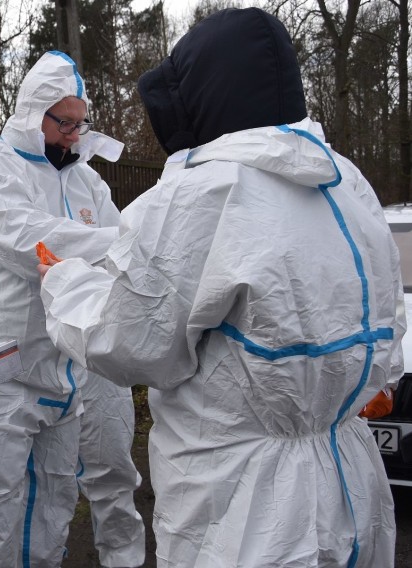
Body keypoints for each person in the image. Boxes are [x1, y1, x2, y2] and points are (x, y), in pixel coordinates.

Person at [38, 8, 402, 567]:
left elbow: (130, 342)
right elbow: (387, 320)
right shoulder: (347, 182)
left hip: (246, 503)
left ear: (202, 92)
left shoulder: (205, 193)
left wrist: (64, 283)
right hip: (352, 480)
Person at [0, 50, 144, 567]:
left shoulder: (86, 181)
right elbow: (31, 241)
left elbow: (117, 255)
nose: (74, 135)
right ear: (34, 114)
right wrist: (118, 242)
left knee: (51, 510)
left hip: (61, 375)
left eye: (80, 123)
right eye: (63, 122)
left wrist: (123, 247)